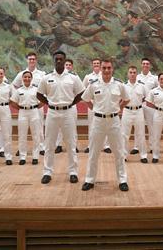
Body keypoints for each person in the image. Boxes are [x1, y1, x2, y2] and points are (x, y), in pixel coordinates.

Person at [81, 60, 130, 192]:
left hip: (114, 121)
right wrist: (95, 109)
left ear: (112, 69)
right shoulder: (93, 84)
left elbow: (127, 99)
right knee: (94, 152)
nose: (107, 70)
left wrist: (118, 109)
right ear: (101, 69)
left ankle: (122, 180)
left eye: (109, 68)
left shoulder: (119, 84)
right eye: (104, 68)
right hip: (98, 121)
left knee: (119, 152)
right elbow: (85, 99)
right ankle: (89, 180)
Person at [37, 50, 84, 185]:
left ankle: (73, 172)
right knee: (49, 143)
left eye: (61, 59)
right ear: (54, 60)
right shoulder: (47, 78)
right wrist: (49, 104)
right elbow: (39, 94)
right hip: (52, 113)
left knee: (71, 143)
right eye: (56, 59)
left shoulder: (73, 77)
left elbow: (81, 93)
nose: (58, 61)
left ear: (65, 61)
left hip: (68, 112)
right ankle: (47, 172)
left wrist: (71, 103)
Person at [12, 52, 47, 156]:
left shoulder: (42, 74)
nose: (32, 61)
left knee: (39, 127)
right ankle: (21, 149)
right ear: (27, 60)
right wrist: (18, 98)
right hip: (24, 106)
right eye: (30, 59)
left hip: (37, 105)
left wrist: (43, 101)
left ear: (36, 61)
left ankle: (41, 147)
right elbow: (13, 85)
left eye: (33, 59)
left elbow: (46, 88)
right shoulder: (21, 74)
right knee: (22, 130)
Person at [10, 71, 43, 165]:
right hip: (23, 113)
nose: (27, 79)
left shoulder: (36, 90)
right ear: (22, 78)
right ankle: (22, 157)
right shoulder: (19, 90)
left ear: (31, 78)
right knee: (22, 135)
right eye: (25, 77)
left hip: (34, 112)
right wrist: (20, 108)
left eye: (29, 77)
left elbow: (43, 101)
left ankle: (35, 156)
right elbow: (13, 102)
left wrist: (35, 107)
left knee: (36, 135)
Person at [121, 66, 148, 162]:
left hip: (138, 111)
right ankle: (123, 156)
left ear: (137, 74)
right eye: (130, 72)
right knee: (124, 134)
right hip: (127, 111)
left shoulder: (142, 86)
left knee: (141, 134)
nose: (132, 74)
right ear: (128, 74)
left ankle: (143, 156)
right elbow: (120, 99)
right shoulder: (123, 86)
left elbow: (145, 97)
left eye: (134, 72)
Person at [55, 58, 80, 154]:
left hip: (71, 106)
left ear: (72, 66)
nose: (68, 66)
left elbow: (80, 92)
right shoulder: (58, 77)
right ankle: (59, 145)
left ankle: (74, 145)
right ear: (64, 66)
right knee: (59, 127)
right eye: (66, 65)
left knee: (73, 126)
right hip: (60, 105)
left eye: (69, 65)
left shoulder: (75, 77)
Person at [136, 57, 158, 153]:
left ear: (150, 65)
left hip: (150, 105)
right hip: (139, 105)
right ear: (141, 65)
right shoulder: (136, 77)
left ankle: (152, 147)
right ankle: (137, 147)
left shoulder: (154, 78)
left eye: (147, 64)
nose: (145, 65)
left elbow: (158, 91)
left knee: (151, 126)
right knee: (138, 126)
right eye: (144, 63)